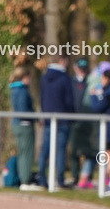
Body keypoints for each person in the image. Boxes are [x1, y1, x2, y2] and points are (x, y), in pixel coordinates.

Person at [37, 55, 76, 188]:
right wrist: (72, 115)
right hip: (63, 120)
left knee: (45, 150)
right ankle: (60, 180)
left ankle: (42, 178)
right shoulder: (65, 79)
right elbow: (69, 100)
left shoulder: (44, 78)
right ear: (63, 61)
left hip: (48, 120)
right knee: (60, 151)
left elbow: (42, 99)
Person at [8, 66, 39, 190]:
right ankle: (25, 180)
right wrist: (34, 118)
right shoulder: (22, 90)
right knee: (27, 153)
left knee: (22, 153)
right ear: (25, 77)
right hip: (24, 125)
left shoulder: (15, 89)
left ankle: (24, 179)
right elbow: (23, 110)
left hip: (18, 125)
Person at [69, 57, 96, 189]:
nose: (82, 71)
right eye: (80, 68)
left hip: (89, 122)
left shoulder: (90, 82)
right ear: (75, 68)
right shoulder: (70, 82)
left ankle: (87, 178)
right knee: (74, 151)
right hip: (75, 121)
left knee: (91, 151)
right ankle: (75, 176)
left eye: (85, 69)